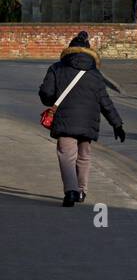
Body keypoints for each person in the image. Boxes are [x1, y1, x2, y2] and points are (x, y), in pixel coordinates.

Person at [38, 31, 125, 208]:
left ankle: (70, 191)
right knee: (84, 156)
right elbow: (105, 102)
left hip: (64, 121)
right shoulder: (95, 74)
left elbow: (46, 95)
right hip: (88, 123)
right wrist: (117, 124)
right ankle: (82, 191)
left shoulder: (56, 68)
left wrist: (48, 96)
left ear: (69, 50)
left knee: (66, 156)